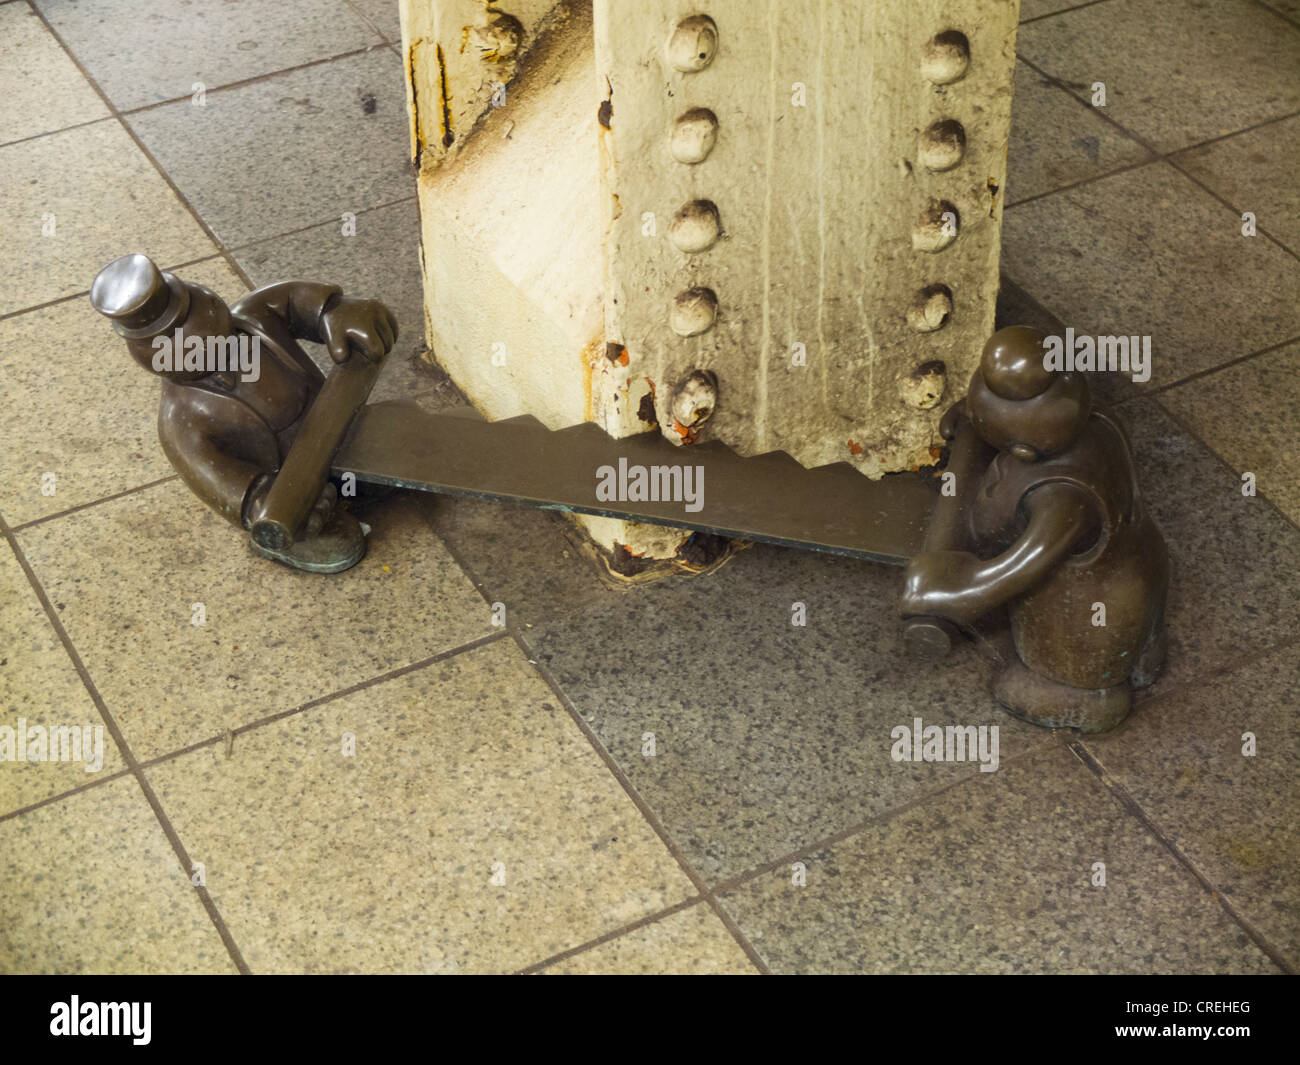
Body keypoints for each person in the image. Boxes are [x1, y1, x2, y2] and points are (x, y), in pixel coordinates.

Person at [901, 326, 1169, 732]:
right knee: (1129, 604)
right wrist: (975, 419)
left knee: (1055, 661)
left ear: (1025, 450)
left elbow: (1020, 567)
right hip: (1140, 571)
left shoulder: (1063, 499)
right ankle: (1140, 650)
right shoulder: (1095, 418)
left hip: (1094, 613)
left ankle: (1084, 692)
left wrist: (953, 591)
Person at [91, 254, 397, 573]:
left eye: (192, 315)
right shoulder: (180, 423)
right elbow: (220, 480)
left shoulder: (254, 317)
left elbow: (294, 300)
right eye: (171, 340)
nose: (192, 339)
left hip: (342, 427)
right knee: (327, 535)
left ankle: (361, 479)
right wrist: (262, 502)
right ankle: (302, 522)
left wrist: (335, 311)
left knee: (401, 443)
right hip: (291, 484)